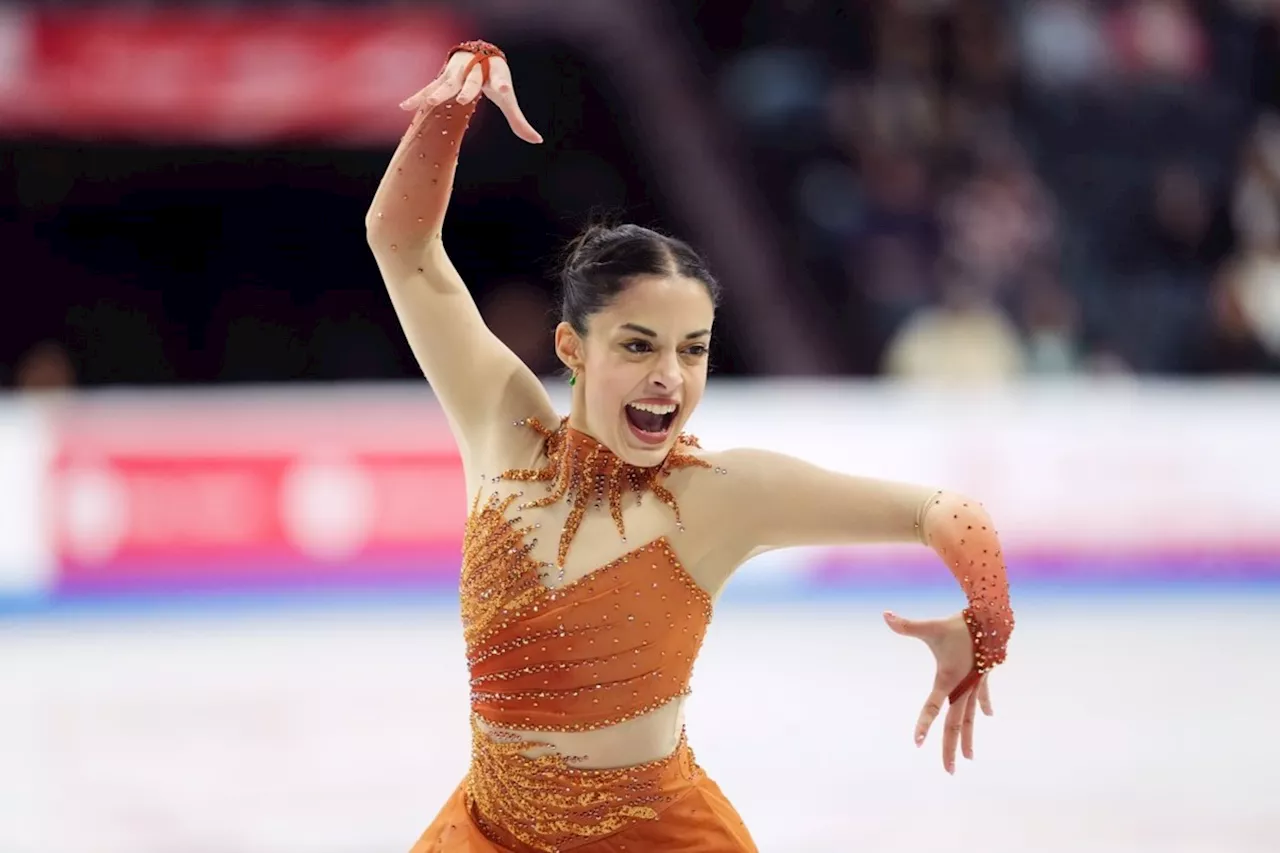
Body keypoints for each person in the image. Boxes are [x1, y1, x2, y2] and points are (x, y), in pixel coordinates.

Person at [366, 41, 1014, 853]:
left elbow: (944, 510)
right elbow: (403, 244)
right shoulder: (506, 431)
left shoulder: (721, 494)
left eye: (693, 349)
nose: (669, 377)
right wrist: (454, 99)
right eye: (638, 346)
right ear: (572, 347)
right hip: (489, 835)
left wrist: (985, 627)